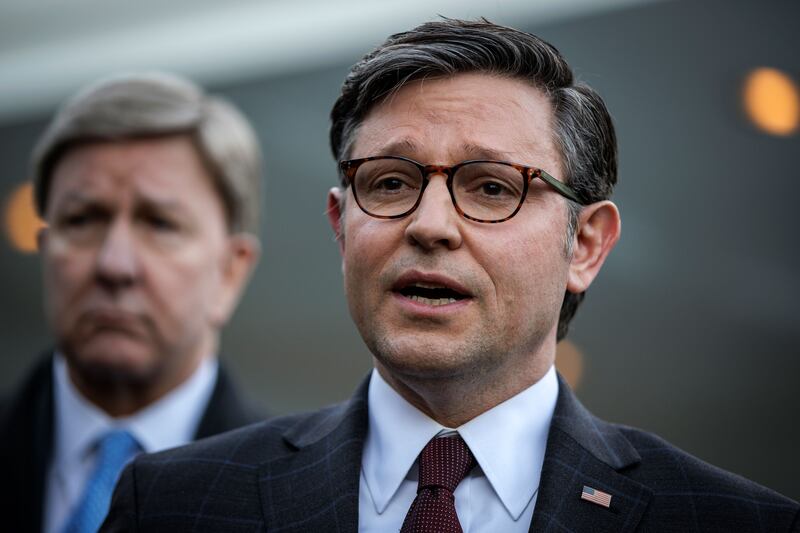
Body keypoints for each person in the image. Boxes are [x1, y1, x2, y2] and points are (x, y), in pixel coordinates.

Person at [101, 20, 799, 533]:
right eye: (391, 181)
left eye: (492, 187)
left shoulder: (734, 522)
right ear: (342, 227)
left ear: (585, 244)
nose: (430, 224)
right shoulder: (173, 503)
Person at [0, 72, 265, 533]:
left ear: (230, 271)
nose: (114, 265)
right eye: (83, 219)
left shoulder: (304, 497)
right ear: (45, 252)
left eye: (160, 223)